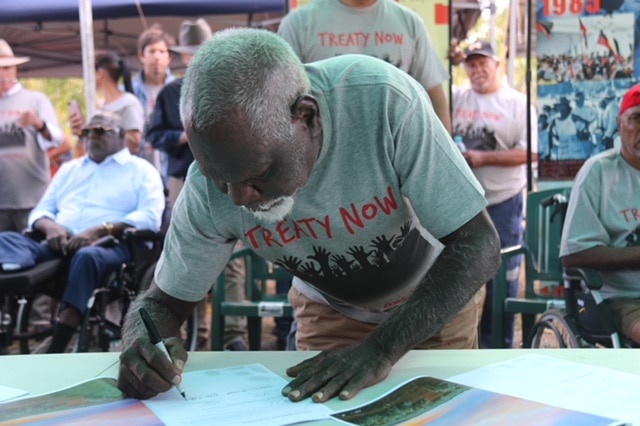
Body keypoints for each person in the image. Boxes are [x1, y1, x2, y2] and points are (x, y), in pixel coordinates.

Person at [117, 28, 500, 402]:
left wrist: (379, 351)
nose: (238, 198)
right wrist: (140, 342)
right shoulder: (208, 184)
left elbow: (478, 243)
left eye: (258, 174)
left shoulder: (382, 101)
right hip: (330, 311)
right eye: (220, 179)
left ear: (307, 116)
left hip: (434, 301)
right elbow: (161, 305)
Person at [0, 110, 165, 353]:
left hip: (110, 245)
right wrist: (52, 227)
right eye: (86, 131)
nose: (90, 136)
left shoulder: (140, 170)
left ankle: (57, 348)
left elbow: (150, 216)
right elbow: (41, 210)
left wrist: (100, 230)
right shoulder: (70, 169)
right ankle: (13, 274)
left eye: (99, 131)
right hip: (60, 242)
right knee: (5, 239)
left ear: (121, 136)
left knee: (86, 257)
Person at [146, 18, 248, 351]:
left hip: (226, 177)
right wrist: (181, 136)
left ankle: (235, 335)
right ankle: (197, 334)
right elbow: (153, 136)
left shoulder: (230, 86)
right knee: (190, 256)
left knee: (235, 259)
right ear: (184, 56)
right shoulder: (171, 92)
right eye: (193, 51)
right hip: (182, 178)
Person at [451, 41, 538, 348]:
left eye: (483, 63)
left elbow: (531, 154)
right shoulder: (455, 97)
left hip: (504, 202)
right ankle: (466, 344)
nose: (477, 70)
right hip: (461, 204)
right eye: (471, 65)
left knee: (503, 276)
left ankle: (499, 344)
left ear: (497, 65)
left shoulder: (517, 104)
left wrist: (482, 158)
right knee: (460, 274)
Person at [277, 0, 452, 134]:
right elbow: (279, 103)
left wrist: (445, 166)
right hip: (321, 165)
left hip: (395, 162)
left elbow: (436, 100)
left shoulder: (410, 23)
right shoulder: (299, 23)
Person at [560, 83, 640, 345]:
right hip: (623, 298)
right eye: (636, 118)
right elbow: (573, 255)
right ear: (619, 123)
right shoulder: (599, 172)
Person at [0, 39, 64, 232]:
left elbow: (58, 138)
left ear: (16, 70)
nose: (3, 74)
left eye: (7, 68)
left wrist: (39, 124)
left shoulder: (35, 100)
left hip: (33, 199)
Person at [69, 51, 145, 156]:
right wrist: (83, 132)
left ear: (100, 74)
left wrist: (104, 127)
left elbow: (135, 145)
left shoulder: (128, 103)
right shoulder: (102, 106)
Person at [132, 25, 176, 178]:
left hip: (172, 170)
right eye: (151, 51)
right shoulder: (128, 91)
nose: (157, 57)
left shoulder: (179, 90)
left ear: (169, 57)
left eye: (162, 51)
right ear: (142, 56)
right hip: (138, 169)